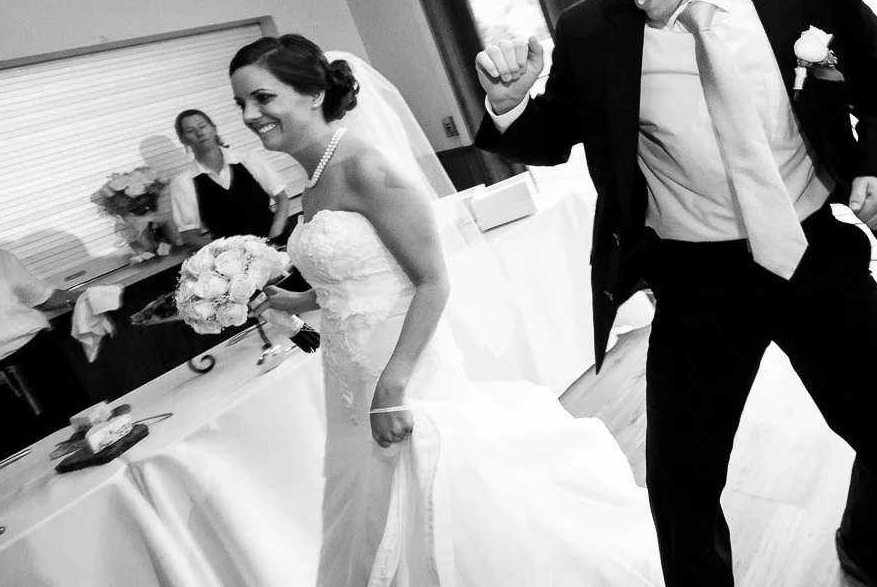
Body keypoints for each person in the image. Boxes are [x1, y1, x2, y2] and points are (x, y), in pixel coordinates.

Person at [473, 0, 877, 587]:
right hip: (698, 283)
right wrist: (507, 103)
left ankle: (867, 551)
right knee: (681, 492)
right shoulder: (592, 33)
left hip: (813, 256)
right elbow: (551, 135)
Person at [235, 34, 663, 586]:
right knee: (377, 506)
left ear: (313, 92)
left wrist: (393, 386)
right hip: (350, 374)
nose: (249, 115)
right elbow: (355, 276)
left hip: (404, 370)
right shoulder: (313, 178)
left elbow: (433, 280)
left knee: (444, 500)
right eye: (242, 104)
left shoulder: (365, 166)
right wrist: (296, 298)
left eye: (262, 98)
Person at [0, 207, 90, 465]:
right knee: (16, 468)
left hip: (39, 364)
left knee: (86, 440)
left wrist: (86, 297)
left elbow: (44, 297)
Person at [170, 109, 291, 248]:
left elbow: (282, 199)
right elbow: (189, 235)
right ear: (183, 139)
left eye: (203, 126)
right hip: (232, 261)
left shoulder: (248, 159)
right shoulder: (183, 182)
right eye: (190, 131)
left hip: (278, 244)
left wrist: (274, 237)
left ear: (213, 128)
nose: (200, 133)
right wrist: (230, 252)